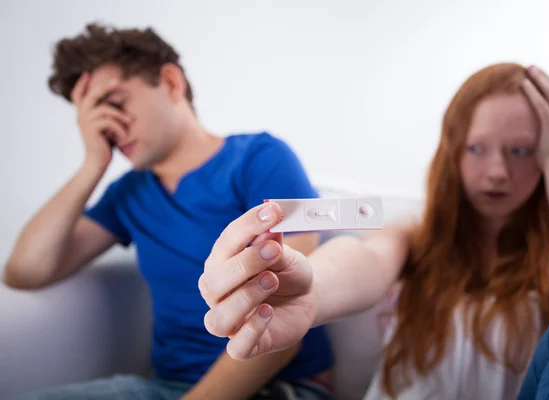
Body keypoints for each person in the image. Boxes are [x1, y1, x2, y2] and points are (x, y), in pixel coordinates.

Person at [199, 63, 549, 399]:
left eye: (519, 151)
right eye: (476, 148)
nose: (497, 172)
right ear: (452, 152)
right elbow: (366, 259)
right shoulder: (416, 234)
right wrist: (311, 289)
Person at [3, 23, 333, 400]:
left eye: (113, 104)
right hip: (163, 388)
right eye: (90, 116)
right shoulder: (128, 194)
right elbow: (25, 272)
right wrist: (93, 162)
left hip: (279, 387)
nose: (106, 126)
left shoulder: (260, 159)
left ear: (172, 82)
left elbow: (289, 307)